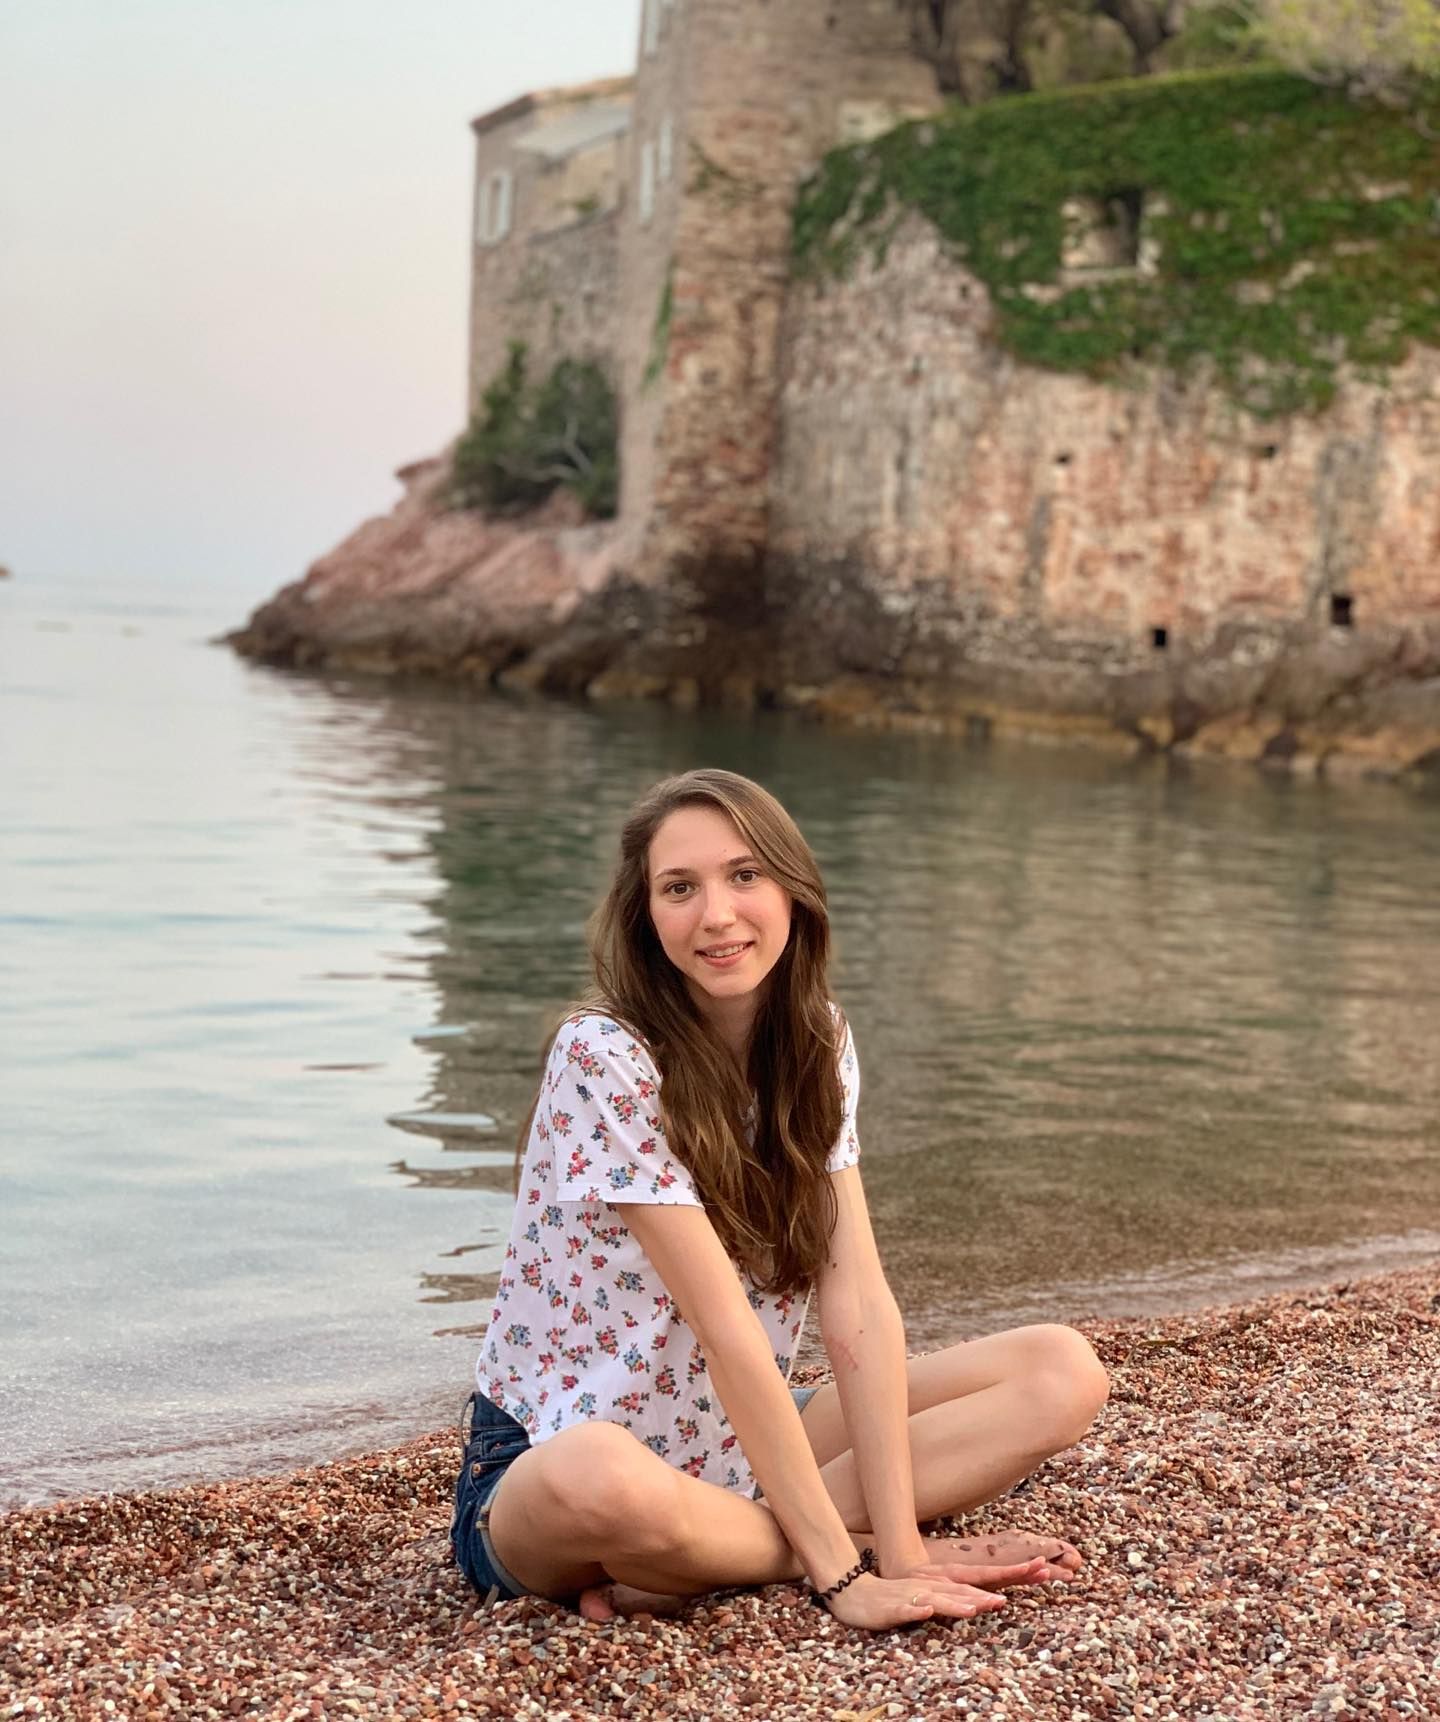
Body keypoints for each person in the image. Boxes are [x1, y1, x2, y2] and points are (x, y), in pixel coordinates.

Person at [451, 768, 1108, 1631]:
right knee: (600, 1475)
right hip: (544, 1463)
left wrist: (906, 1550)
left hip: (731, 1440)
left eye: (745, 875)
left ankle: (713, 1554)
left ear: (793, 889)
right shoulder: (603, 1055)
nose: (717, 915)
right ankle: (798, 1543)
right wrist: (845, 1577)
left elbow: (857, 1299)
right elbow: (724, 1327)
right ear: (646, 916)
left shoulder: (816, 1039)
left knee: (1061, 1369)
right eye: (679, 888)